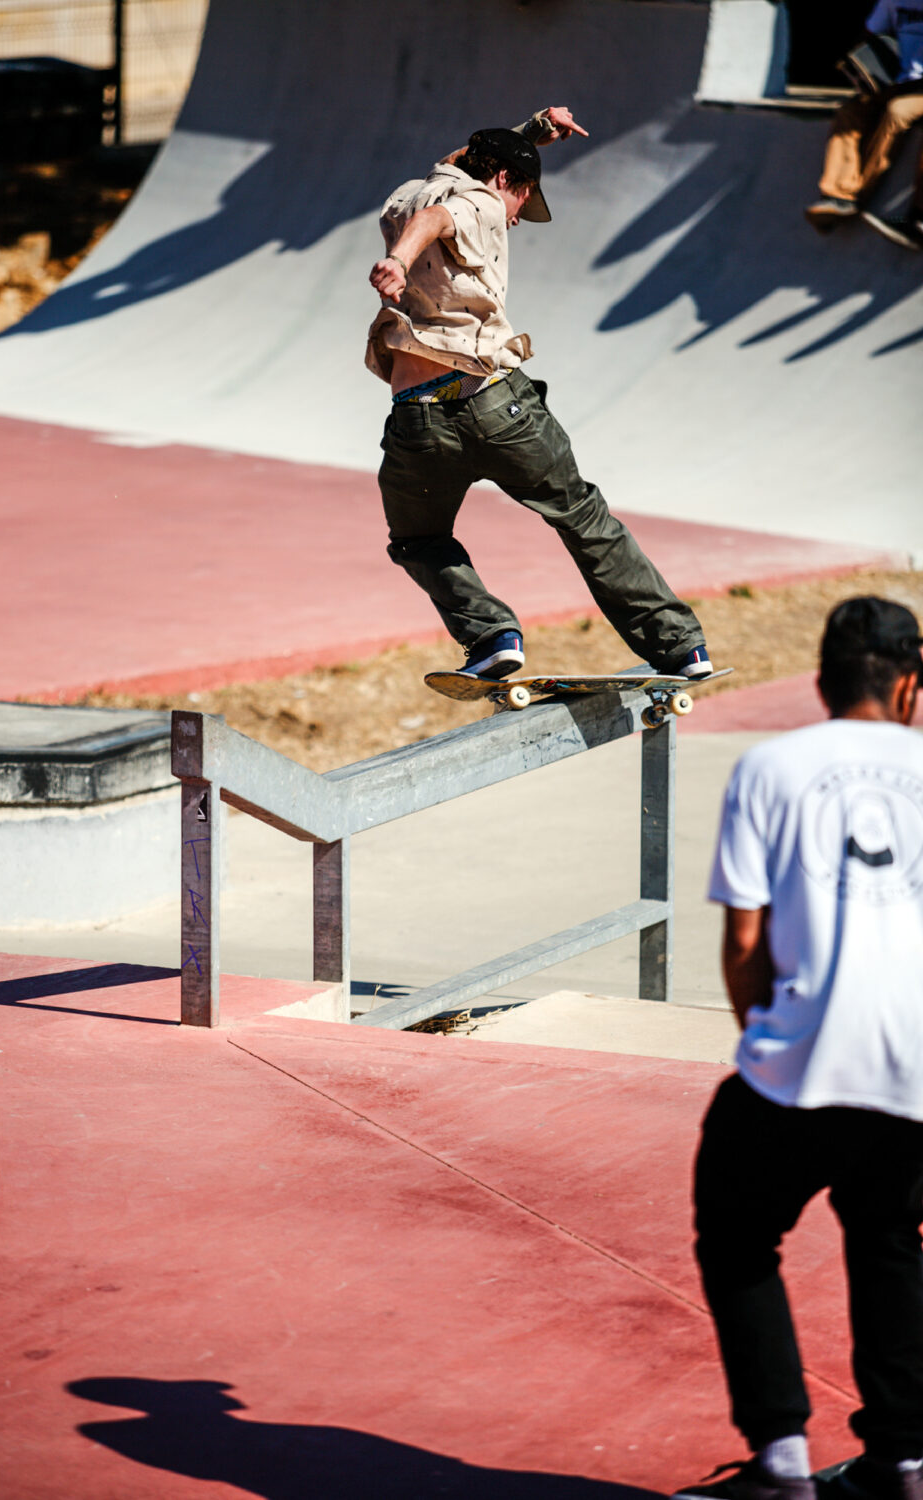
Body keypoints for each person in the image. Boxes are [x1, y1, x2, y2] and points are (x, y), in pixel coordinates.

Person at [673, 596, 923, 1500]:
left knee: (738, 1236)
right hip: (914, 1077)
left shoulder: (770, 766)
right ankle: (906, 1461)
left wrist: (765, 1043)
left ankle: (780, 1460)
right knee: (892, 1235)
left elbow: (744, 942)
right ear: (909, 687)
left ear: (822, 681)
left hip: (804, 1064)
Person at [365, 107, 712, 683]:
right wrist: (398, 261)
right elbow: (439, 216)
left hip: (420, 425)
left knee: (418, 538)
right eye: (525, 198)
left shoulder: (405, 194)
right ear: (504, 180)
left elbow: (445, 176)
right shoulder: (476, 206)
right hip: (498, 406)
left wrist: (526, 136)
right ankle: (680, 646)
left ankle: (490, 636)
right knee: (582, 516)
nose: (519, 217)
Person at [806, 0, 923, 249]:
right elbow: (869, 34)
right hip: (900, 82)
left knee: (897, 112)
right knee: (851, 112)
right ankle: (839, 195)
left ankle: (909, 214)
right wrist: (864, 68)